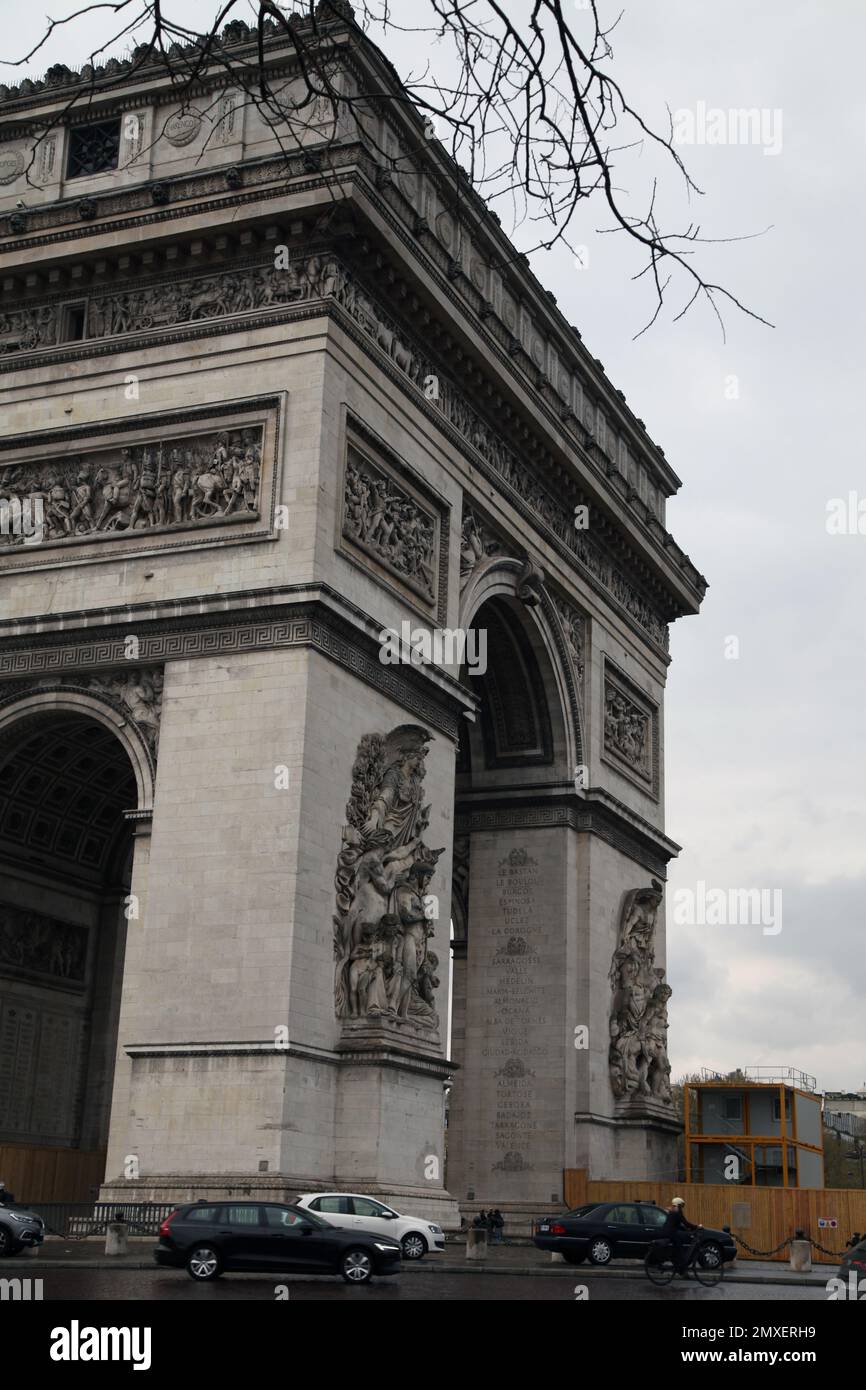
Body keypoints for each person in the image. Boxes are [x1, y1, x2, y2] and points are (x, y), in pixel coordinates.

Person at [659, 1196, 701, 1275]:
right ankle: (680, 1266)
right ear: (678, 1205)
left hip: (666, 1231)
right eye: (681, 1206)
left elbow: (677, 1224)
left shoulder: (672, 1211)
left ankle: (678, 1265)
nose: (682, 1208)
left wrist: (686, 1229)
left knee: (678, 1243)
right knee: (680, 1246)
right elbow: (685, 1223)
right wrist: (696, 1227)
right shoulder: (677, 1212)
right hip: (670, 1233)